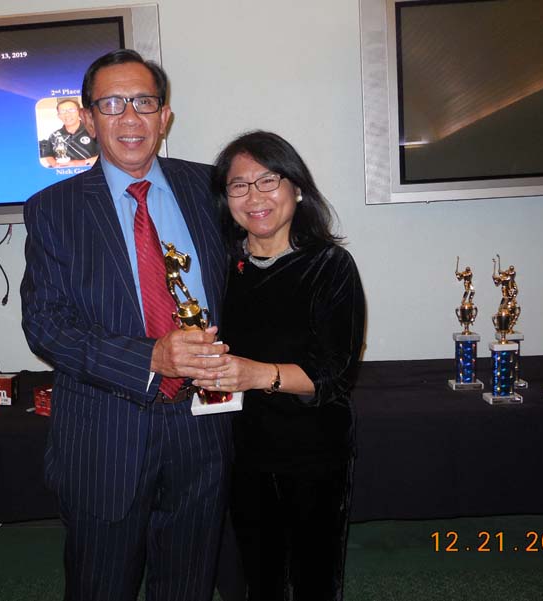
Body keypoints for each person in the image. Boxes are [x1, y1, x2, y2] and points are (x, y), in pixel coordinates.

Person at [20, 49, 232, 601]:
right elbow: (45, 324)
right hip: (104, 434)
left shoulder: (212, 189)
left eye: (144, 102)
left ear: (165, 116)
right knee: (100, 585)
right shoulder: (53, 209)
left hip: (203, 427)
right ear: (89, 120)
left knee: (188, 583)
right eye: (112, 104)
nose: (131, 117)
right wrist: (150, 358)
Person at [195, 130, 365, 601]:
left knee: (314, 578)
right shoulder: (218, 269)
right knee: (259, 577)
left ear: (297, 188)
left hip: (313, 450)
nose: (255, 197)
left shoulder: (329, 265)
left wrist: (256, 374)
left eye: (268, 180)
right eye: (239, 185)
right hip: (240, 450)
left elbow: (335, 375)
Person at [40, 98, 99, 168]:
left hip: (90, 171)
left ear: (79, 112)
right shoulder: (54, 135)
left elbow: (103, 156)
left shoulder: (94, 131)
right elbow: (48, 155)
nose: (67, 114)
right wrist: (55, 165)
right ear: (58, 115)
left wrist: (81, 163)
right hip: (63, 173)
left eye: (71, 110)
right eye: (62, 111)